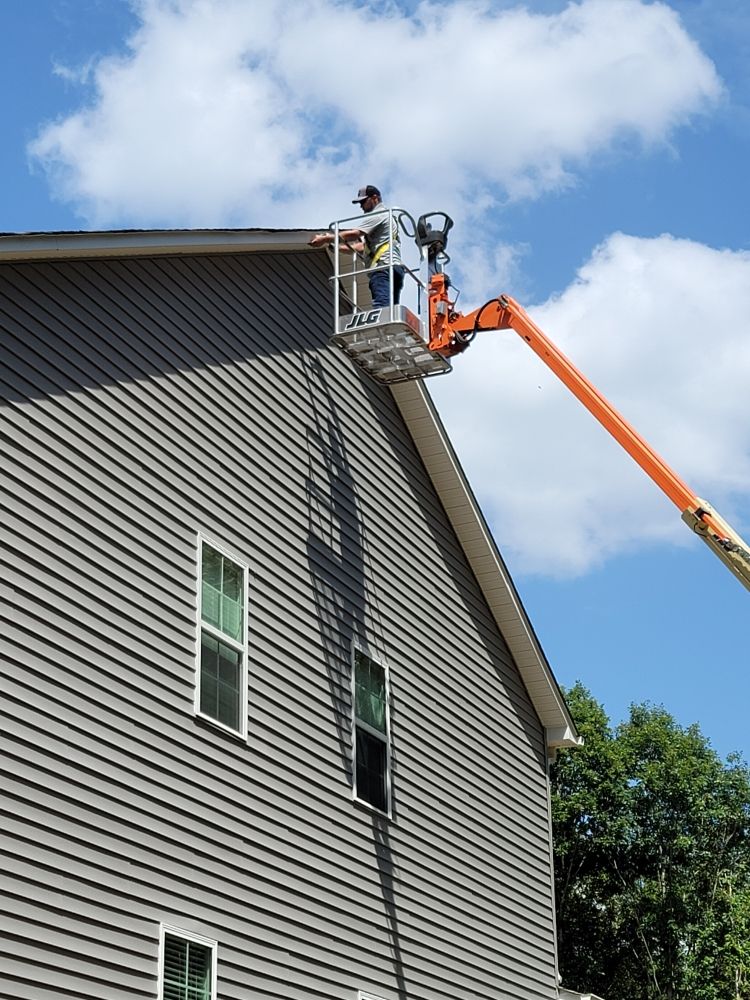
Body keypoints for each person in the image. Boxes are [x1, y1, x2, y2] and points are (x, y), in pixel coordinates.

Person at [309, 185, 405, 308]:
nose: (361, 206)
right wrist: (334, 246)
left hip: (383, 267)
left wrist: (326, 238)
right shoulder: (388, 217)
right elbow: (361, 247)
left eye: (363, 202)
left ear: (374, 198)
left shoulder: (378, 214)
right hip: (395, 267)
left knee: (382, 306)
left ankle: (382, 327)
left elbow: (355, 234)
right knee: (391, 308)